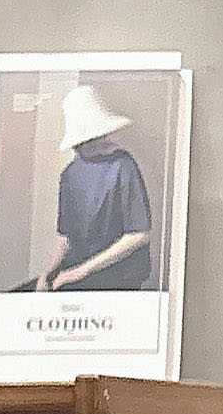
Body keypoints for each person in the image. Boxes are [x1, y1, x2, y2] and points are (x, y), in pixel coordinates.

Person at [34, 88, 155, 295]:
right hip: (80, 277)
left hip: (120, 278)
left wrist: (79, 272)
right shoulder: (69, 174)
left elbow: (138, 235)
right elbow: (66, 237)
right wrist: (48, 273)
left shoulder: (122, 165)